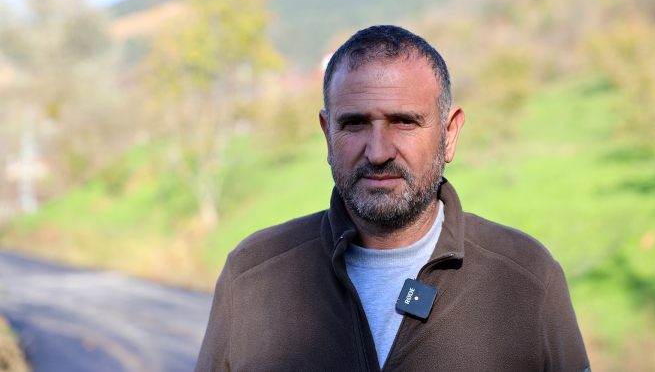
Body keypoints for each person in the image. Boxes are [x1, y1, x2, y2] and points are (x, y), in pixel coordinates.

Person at [195, 25, 590, 372]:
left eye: (404, 122)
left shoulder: (526, 280)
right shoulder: (252, 277)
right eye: (354, 123)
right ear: (327, 134)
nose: (378, 151)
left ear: (449, 134)